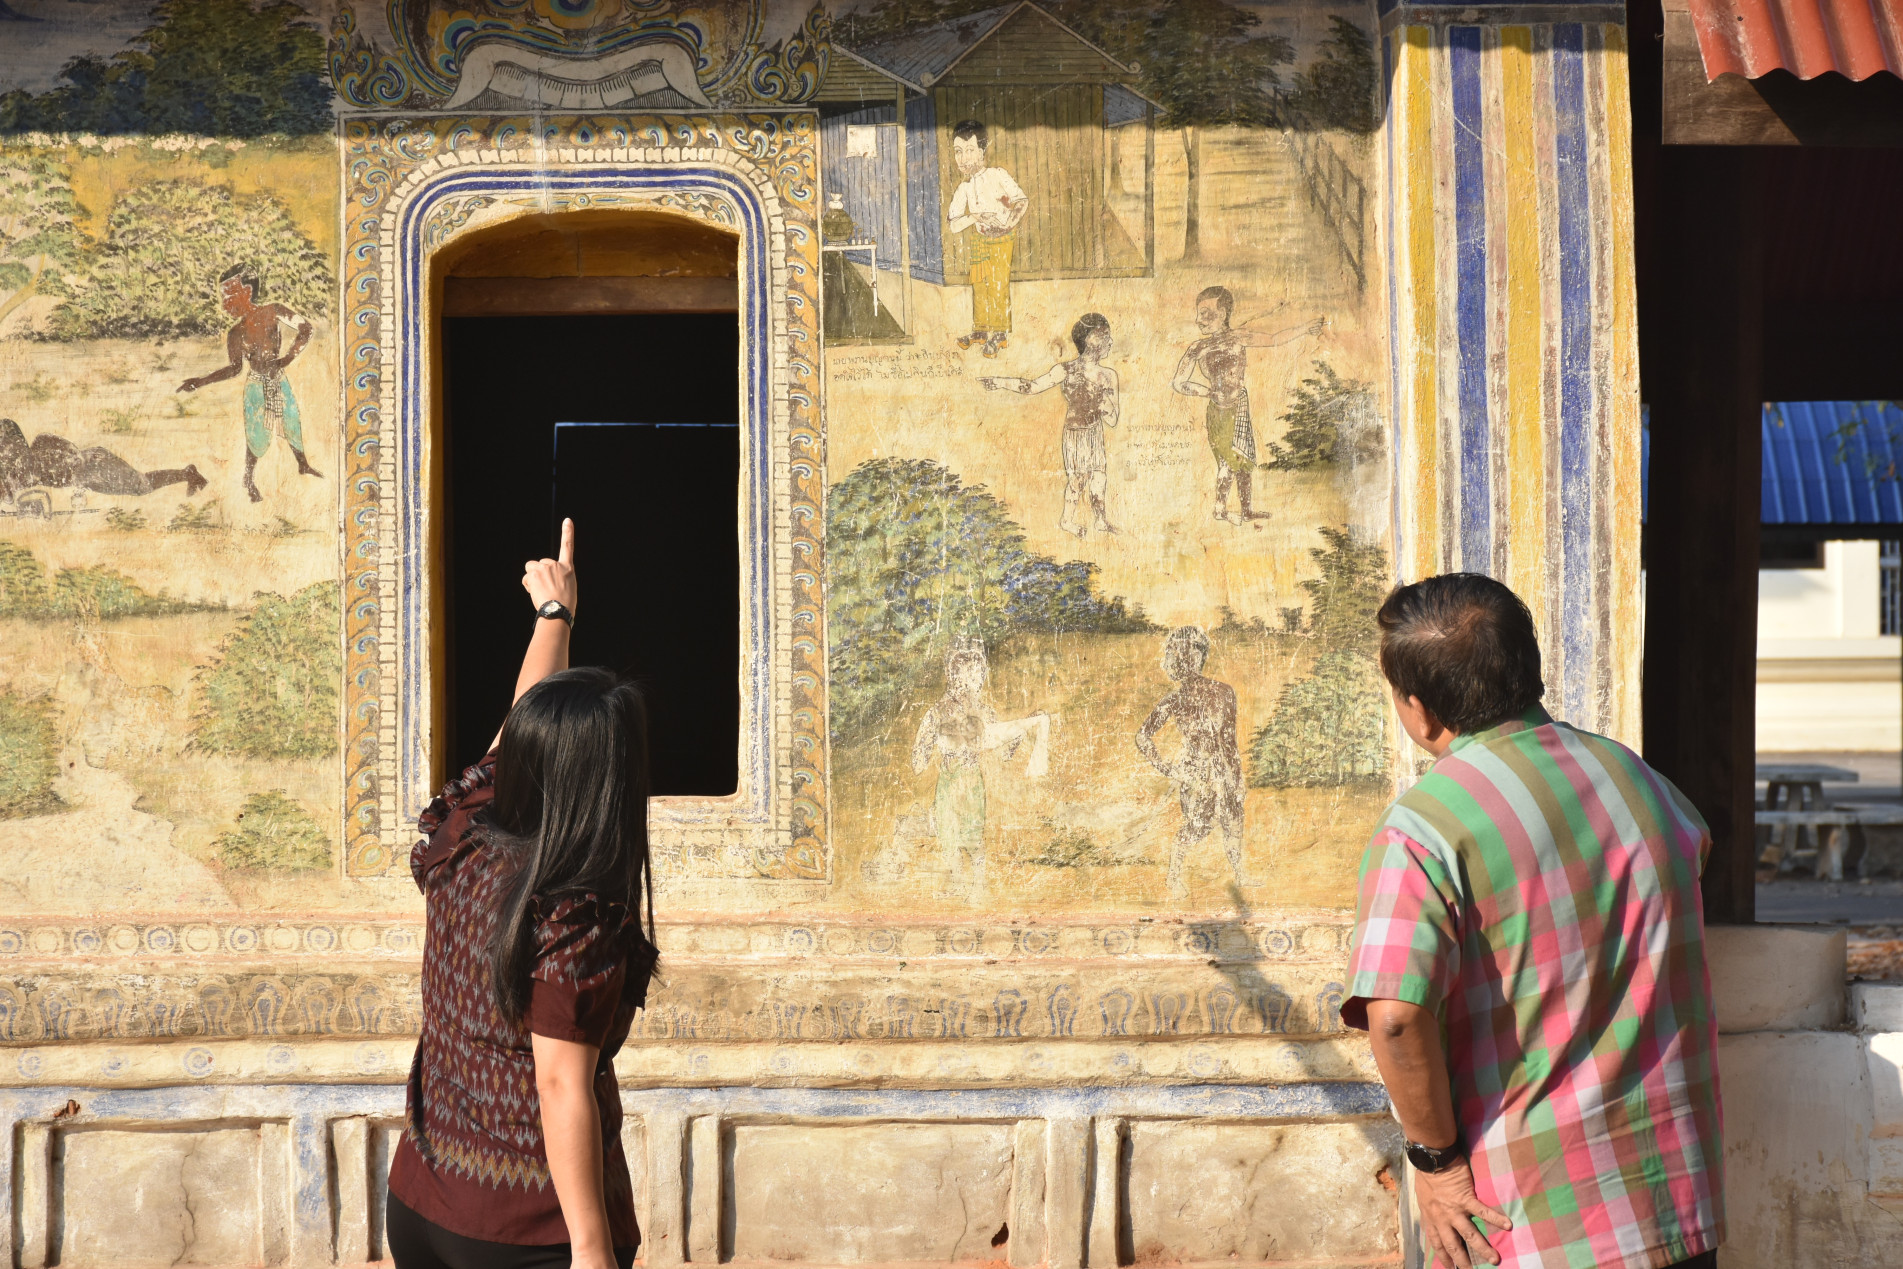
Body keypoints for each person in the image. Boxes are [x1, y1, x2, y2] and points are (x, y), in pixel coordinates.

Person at [1343, 574, 1721, 1269]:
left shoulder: (1422, 829)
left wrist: (1436, 1164)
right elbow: (1693, 855)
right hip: (1673, 1199)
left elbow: (1394, 1016)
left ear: (1420, 710)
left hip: (1534, 1222)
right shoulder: (1638, 778)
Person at [388, 519, 660, 1269]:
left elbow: (517, 731)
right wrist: (593, 1249)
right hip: (526, 1231)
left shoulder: (463, 833)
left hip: (421, 1201)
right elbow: (560, 1083)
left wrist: (554, 614)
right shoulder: (574, 909)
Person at [910, 637, 1051, 901]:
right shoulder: (937, 711)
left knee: (972, 834)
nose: (970, 683)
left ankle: (978, 884)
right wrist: (923, 754)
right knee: (947, 832)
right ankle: (957, 882)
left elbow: (1003, 749)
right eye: (964, 676)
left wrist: (1022, 728)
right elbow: (921, 748)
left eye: (976, 676)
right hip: (947, 781)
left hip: (970, 780)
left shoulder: (984, 712)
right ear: (952, 676)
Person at [1170, 287, 1322, 524]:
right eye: (1199, 314)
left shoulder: (1238, 338)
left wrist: (1305, 328)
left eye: (1206, 313)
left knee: (1244, 460)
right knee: (1228, 460)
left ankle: (1246, 510)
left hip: (1240, 405)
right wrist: (1207, 391)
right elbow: (1178, 382)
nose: (1199, 320)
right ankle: (1220, 510)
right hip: (1219, 410)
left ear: (1223, 313)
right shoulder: (1198, 348)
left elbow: (1273, 339)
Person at [177, 264, 321, 504]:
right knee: (256, 433)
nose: (225, 303)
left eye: (229, 295)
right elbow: (234, 369)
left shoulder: (273, 311)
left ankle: (303, 465)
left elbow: (306, 329)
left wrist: (286, 359)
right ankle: (248, 478)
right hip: (255, 384)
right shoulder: (236, 333)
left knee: (291, 419)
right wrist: (200, 382)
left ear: (247, 291)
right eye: (223, 297)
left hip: (278, 378)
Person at [1134, 625, 1258, 899]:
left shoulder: (1224, 692)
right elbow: (1142, 736)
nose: (1188, 659)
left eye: (1194, 652)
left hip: (1223, 768)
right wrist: (1165, 767)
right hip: (1195, 772)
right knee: (1198, 826)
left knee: (1234, 819)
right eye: (1181, 654)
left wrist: (1237, 777)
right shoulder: (1175, 699)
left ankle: (1241, 874)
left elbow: (1229, 740)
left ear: (1201, 656)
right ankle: (1173, 877)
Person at [980, 312, 1119, 537]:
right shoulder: (1066, 370)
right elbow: (1032, 387)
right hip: (1075, 433)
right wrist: (1000, 382)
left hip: (1095, 431)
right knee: (1078, 478)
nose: (1110, 341)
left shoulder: (1108, 375)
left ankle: (1100, 520)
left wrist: (1099, 399)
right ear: (1090, 339)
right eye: (1104, 336)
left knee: (1099, 475)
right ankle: (1067, 521)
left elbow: (1113, 419)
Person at [947, 120, 1028, 359]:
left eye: (969, 150)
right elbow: (953, 224)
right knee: (979, 285)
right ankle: (980, 331)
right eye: (958, 152)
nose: (963, 158)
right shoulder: (963, 188)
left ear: (982, 151)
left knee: (998, 285)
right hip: (980, 239)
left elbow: (1022, 201)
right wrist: (974, 217)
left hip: (1002, 239)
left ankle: (999, 335)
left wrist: (1009, 223)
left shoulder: (997, 175)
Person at [0, 417, 205, 503]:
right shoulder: (20, 466)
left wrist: (74, 462)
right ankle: (187, 473)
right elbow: (8, 492)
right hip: (90, 472)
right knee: (140, 486)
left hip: (95, 466)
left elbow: (8, 492)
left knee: (141, 486)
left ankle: (188, 474)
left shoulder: (29, 456)